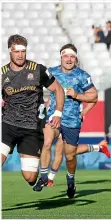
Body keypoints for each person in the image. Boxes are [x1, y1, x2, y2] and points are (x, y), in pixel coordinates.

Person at [33, 44, 98, 199]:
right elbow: (35, 89)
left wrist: (77, 95)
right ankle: (43, 177)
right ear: (61, 57)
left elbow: (94, 97)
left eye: (72, 56)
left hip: (72, 121)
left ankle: (70, 178)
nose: (69, 59)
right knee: (47, 142)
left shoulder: (82, 75)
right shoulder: (52, 72)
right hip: (54, 117)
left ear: (75, 58)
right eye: (66, 56)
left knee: (70, 157)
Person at [1, 34, 64, 188]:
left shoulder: (38, 70)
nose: (20, 55)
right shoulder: (2, 74)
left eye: (23, 51)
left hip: (31, 128)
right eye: (16, 52)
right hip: (7, 125)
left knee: (30, 177)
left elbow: (58, 89)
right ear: (10, 51)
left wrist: (58, 113)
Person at [46, 102, 111, 187]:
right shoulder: (58, 91)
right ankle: (99, 147)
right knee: (67, 150)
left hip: (71, 120)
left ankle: (50, 179)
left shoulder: (75, 90)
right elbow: (51, 101)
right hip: (62, 119)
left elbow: (92, 98)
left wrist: (82, 112)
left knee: (61, 149)